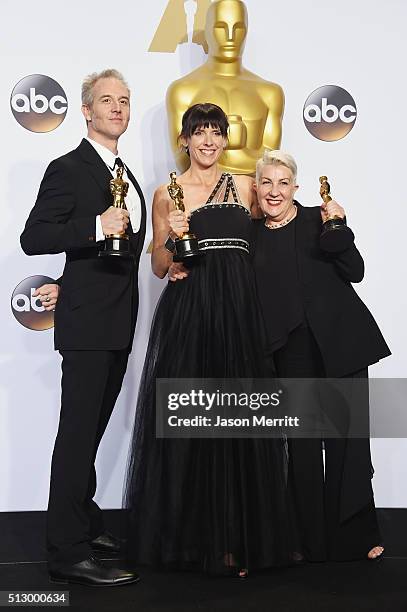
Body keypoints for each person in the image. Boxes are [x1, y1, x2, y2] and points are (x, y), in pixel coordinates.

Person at [124, 103, 297, 576]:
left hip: (241, 316)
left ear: (225, 140)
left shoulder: (246, 186)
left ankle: (239, 540)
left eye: (215, 132)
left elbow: (282, 225)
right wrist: (171, 246)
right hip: (190, 316)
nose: (207, 141)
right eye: (198, 132)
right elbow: (160, 266)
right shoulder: (167, 193)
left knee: (238, 424)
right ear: (183, 140)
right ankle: (188, 540)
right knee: (192, 423)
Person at [20, 69, 146, 587]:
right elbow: (35, 236)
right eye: (106, 101)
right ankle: (66, 551)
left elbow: (112, 257)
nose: (117, 108)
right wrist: (96, 225)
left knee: (89, 434)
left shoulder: (122, 169)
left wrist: (69, 283)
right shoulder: (69, 168)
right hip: (89, 327)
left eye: (124, 100)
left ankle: (85, 524)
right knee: (76, 437)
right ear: (86, 111)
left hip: (115, 320)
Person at [251, 149, 391, 562]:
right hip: (290, 353)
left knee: (349, 443)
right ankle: (307, 539)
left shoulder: (320, 219)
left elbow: (356, 270)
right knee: (303, 447)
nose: (274, 191)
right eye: (266, 183)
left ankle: (357, 535)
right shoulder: (252, 235)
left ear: (295, 187)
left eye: (283, 183)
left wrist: (341, 228)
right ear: (255, 189)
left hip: (342, 344)